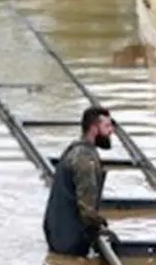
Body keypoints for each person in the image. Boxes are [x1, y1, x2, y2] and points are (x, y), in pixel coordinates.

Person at [43, 106, 120, 256]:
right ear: (94, 128)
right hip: (70, 241)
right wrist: (104, 226)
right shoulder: (85, 159)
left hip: (56, 233)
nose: (111, 131)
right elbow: (86, 211)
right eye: (107, 126)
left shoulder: (73, 149)